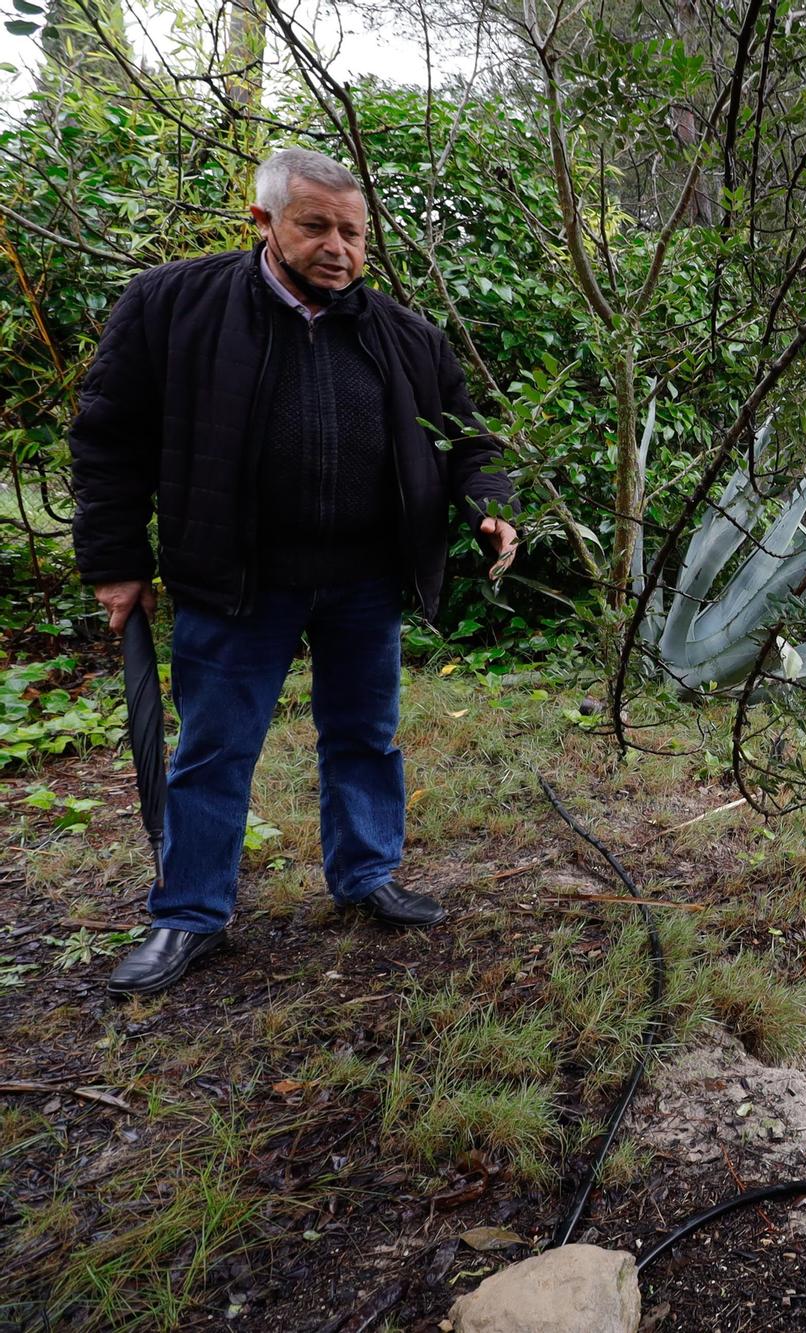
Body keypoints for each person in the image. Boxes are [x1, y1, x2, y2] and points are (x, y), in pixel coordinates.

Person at [70, 147, 519, 996]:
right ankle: (188, 915)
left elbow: (469, 440)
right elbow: (107, 440)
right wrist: (117, 561)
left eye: (353, 232)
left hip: (362, 581)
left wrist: (489, 506)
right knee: (213, 749)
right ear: (264, 221)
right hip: (237, 579)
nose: (338, 248)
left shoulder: (403, 333)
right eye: (315, 226)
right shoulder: (173, 306)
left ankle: (365, 874)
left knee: (364, 736)